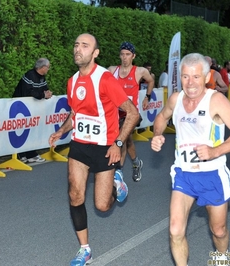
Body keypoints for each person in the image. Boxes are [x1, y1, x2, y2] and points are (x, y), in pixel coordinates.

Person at [151, 53, 230, 266]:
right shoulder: (176, 99)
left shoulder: (216, 100)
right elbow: (161, 117)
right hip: (183, 173)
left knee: (219, 230)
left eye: (196, 77)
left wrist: (215, 151)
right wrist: (157, 135)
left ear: (206, 78)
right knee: (175, 230)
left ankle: (222, 257)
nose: (191, 83)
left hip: (212, 174)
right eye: (186, 77)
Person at [48, 33, 139, 266]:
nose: (78, 49)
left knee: (102, 205)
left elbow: (132, 113)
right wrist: (61, 131)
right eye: (76, 44)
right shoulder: (72, 81)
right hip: (79, 145)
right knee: (75, 195)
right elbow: (75, 114)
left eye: (85, 45)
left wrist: (118, 144)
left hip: (105, 148)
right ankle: (85, 249)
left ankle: (117, 180)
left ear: (95, 53)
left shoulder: (106, 79)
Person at [108, 42, 154, 182]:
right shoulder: (111, 70)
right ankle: (136, 163)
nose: (124, 57)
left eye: (128, 54)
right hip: (115, 113)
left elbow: (151, 81)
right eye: (122, 54)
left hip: (131, 114)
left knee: (121, 139)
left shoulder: (140, 71)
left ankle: (118, 173)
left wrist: (147, 96)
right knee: (127, 142)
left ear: (133, 56)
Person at [13, 58, 53, 163]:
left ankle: (31, 154)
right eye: (48, 67)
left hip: (33, 109)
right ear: (43, 67)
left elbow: (44, 88)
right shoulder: (29, 75)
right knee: (21, 130)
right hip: (20, 108)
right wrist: (42, 95)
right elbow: (28, 92)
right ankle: (21, 154)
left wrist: (47, 93)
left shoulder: (42, 77)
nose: (48, 69)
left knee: (32, 130)